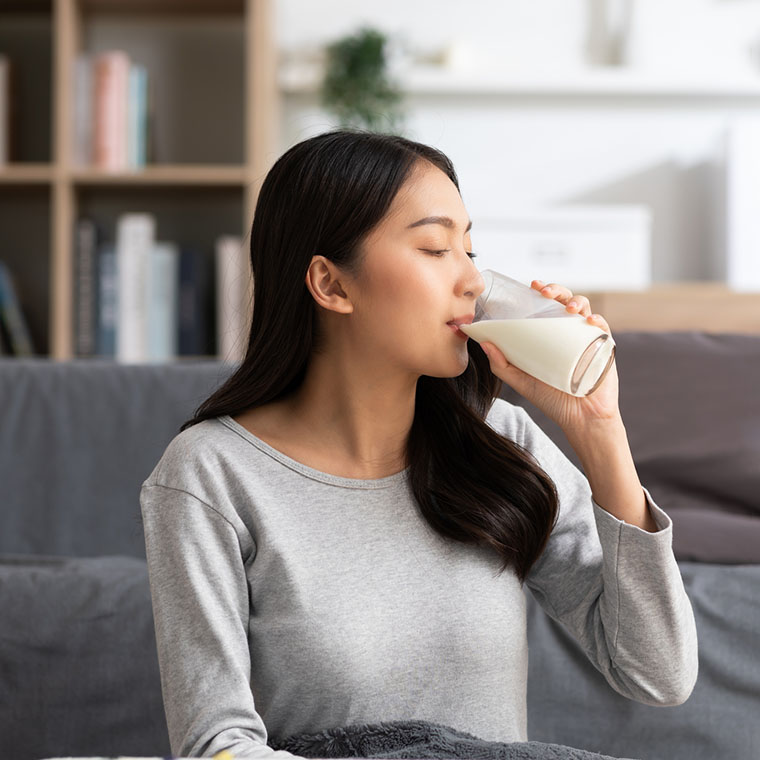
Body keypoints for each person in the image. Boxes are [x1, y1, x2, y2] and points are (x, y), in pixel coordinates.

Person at [140, 129, 698, 760]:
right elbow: (217, 743)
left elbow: (657, 674)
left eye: (471, 249)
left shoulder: (501, 446)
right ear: (331, 285)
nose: (473, 281)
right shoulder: (210, 475)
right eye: (435, 248)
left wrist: (600, 430)